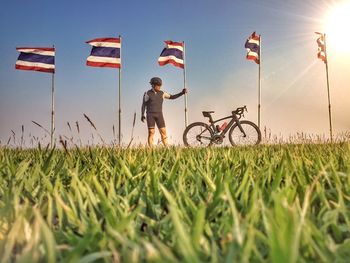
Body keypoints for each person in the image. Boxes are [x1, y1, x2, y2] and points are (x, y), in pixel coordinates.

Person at [141, 77, 187, 146]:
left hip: (159, 115)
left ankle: (167, 148)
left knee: (163, 131)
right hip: (150, 115)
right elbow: (144, 104)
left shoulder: (162, 93)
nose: (159, 87)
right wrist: (142, 114)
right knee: (151, 132)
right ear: (153, 85)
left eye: (160, 86)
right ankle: (150, 149)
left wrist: (182, 93)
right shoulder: (147, 93)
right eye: (158, 85)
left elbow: (172, 97)